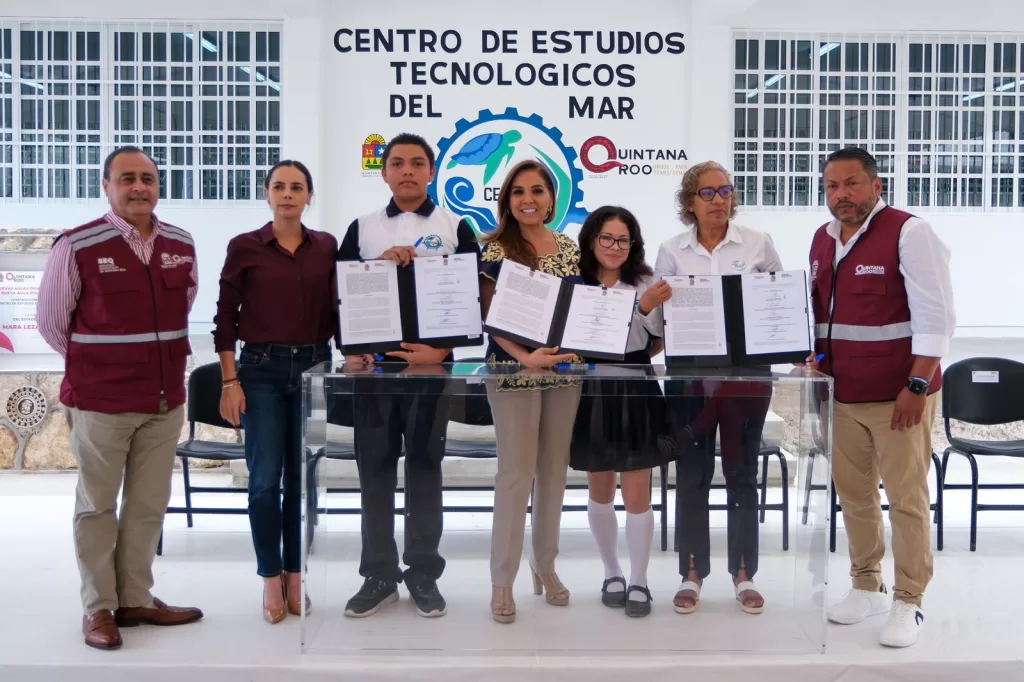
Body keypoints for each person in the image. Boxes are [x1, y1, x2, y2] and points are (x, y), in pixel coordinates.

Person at [37, 146, 203, 650]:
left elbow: (183, 305)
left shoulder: (181, 242)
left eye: (147, 178)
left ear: (158, 186)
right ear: (106, 185)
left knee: (149, 505)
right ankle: (98, 608)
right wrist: (97, 367)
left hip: (163, 399)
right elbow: (51, 323)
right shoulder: (78, 244)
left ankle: (135, 597)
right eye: (127, 178)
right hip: (100, 401)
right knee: (97, 506)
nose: (139, 187)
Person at [807, 147, 955, 648]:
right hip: (842, 395)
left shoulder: (909, 232)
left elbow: (936, 317)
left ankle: (910, 599)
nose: (840, 195)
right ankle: (866, 583)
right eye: (831, 186)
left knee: (907, 499)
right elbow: (820, 316)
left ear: (875, 184)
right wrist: (811, 356)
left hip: (898, 397)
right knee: (854, 496)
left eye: (850, 184)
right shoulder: (822, 240)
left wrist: (917, 386)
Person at [337, 132, 480, 619]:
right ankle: (377, 574)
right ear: (384, 172)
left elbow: (469, 306)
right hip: (374, 374)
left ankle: (422, 572)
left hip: (430, 371)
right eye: (397, 163)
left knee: (424, 470)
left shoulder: (455, 226)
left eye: (418, 163)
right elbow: (342, 298)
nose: (408, 172)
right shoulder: (362, 228)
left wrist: (439, 351)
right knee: (374, 472)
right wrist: (355, 349)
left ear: (432, 171)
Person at [653, 160, 783, 616]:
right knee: (692, 475)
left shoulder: (758, 244)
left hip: (747, 376)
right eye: (706, 193)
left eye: (725, 191)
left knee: (742, 473)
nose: (718, 200)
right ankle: (692, 573)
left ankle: (743, 574)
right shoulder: (672, 250)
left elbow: (776, 307)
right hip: (690, 374)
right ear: (689, 202)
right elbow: (658, 321)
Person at [213, 160, 337, 624]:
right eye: (280, 186)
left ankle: (296, 573)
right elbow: (225, 318)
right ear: (267, 194)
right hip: (259, 372)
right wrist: (230, 382)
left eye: (297, 187)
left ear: (309, 196)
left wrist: (359, 351)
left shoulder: (326, 247)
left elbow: (341, 309)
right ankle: (270, 576)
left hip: (312, 369)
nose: (288, 194)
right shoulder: (245, 247)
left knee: (301, 485)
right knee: (265, 482)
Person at [479, 159, 582, 624]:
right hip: (512, 370)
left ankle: (546, 566)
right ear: (507, 200)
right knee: (515, 477)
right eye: (518, 192)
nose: (528, 200)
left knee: (554, 474)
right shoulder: (493, 248)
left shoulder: (568, 245)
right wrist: (525, 357)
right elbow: (488, 316)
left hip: (564, 372)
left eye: (537, 191)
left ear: (552, 198)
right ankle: (503, 580)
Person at [568, 206, 673, 618]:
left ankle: (640, 580)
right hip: (589, 390)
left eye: (623, 240)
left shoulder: (646, 281)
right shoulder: (574, 283)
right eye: (607, 238)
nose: (615, 247)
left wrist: (643, 307)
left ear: (634, 244)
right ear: (592, 240)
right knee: (599, 485)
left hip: (635, 385)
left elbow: (656, 341)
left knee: (636, 489)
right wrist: (638, 309)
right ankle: (611, 572)